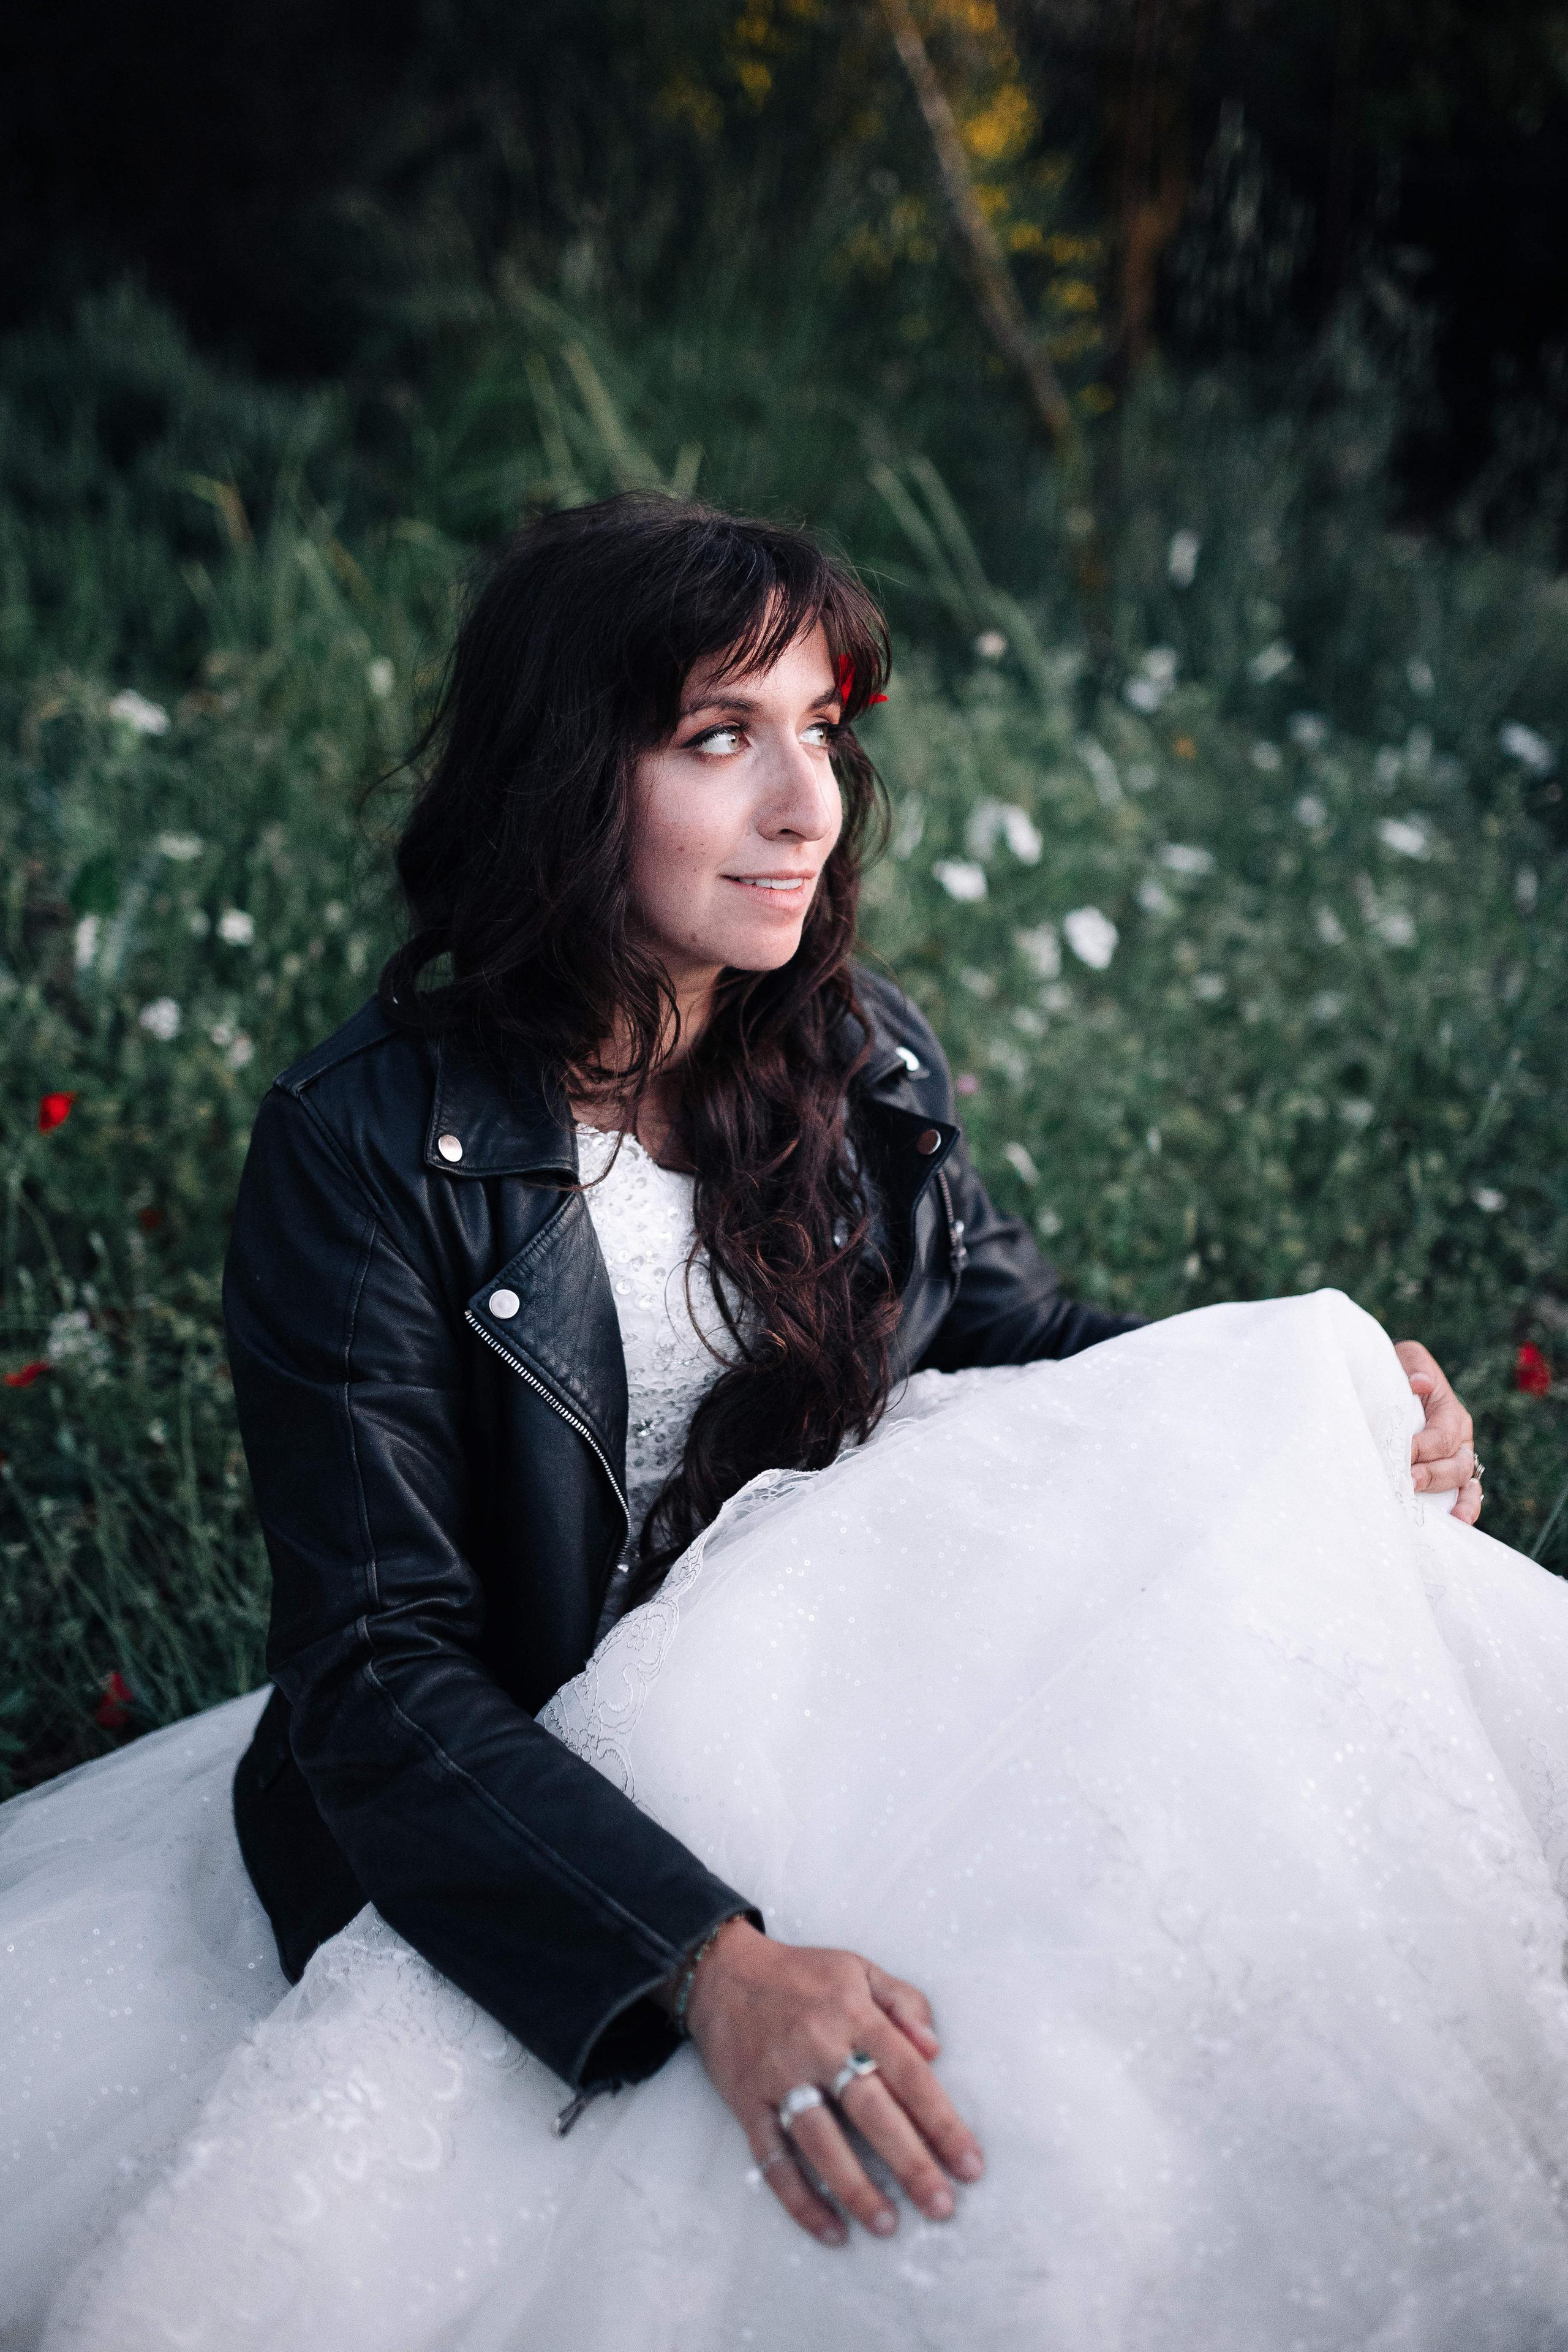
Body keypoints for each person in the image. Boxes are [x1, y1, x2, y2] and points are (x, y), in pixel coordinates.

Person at [6, 500, 1546, 2352]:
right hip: (561, 1778)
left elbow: (1004, 1331)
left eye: (823, 731)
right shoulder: (360, 1153)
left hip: (850, 1695)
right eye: (721, 738)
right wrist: (703, 1967)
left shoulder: (853, 1051)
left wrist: (1311, 1396)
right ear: (568, 774)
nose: (809, 806)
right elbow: (376, 1670)